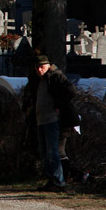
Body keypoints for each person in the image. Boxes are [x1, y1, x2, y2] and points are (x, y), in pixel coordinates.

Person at [22, 55, 78, 191]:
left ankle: (59, 181)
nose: (39, 70)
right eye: (37, 68)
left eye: (42, 67)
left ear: (48, 66)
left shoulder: (55, 76)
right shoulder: (40, 80)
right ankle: (51, 180)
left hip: (53, 120)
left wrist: (58, 105)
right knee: (45, 152)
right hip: (41, 120)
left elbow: (71, 91)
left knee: (53, 151)